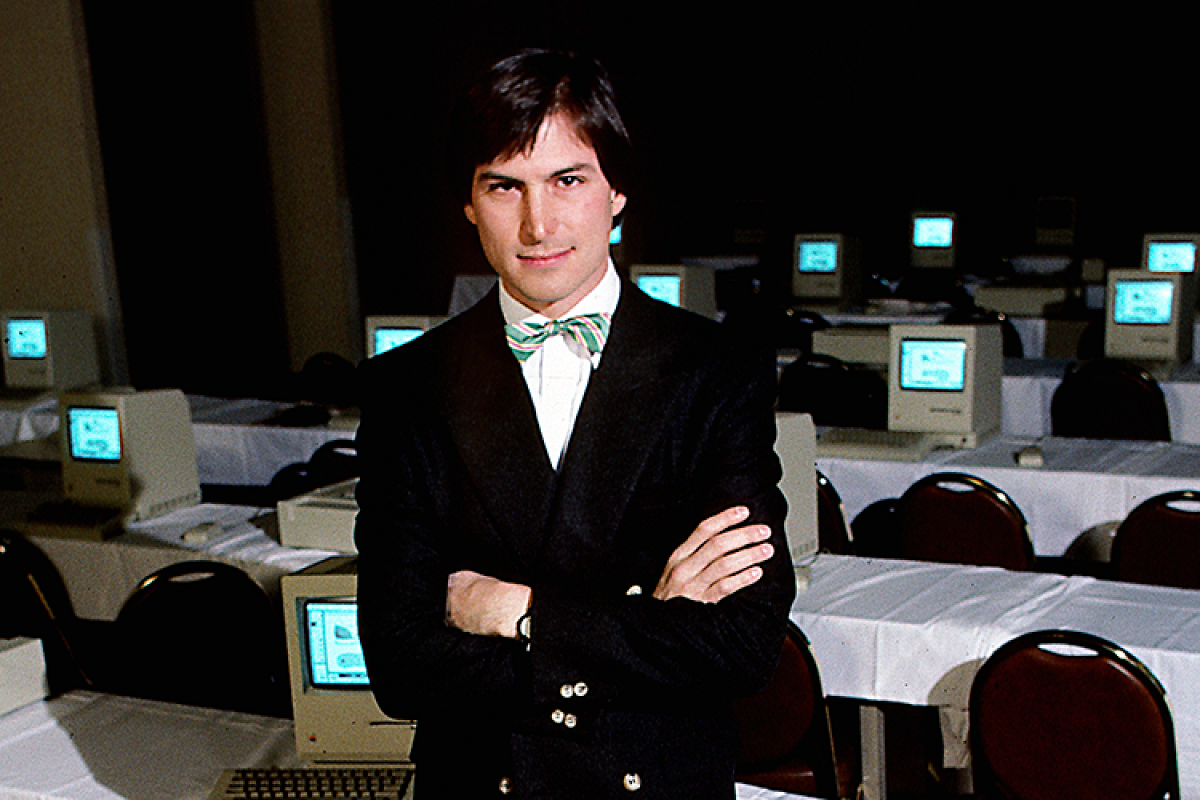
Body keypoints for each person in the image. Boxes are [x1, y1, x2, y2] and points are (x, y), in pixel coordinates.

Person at [355, 48, 796, 799]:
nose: (538, 224)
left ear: (617, 191)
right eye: (505, 186)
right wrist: (645, 620)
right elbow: (401, 665)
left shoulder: (718, 370)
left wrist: (520, 612)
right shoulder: (407, 386)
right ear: (468, 203)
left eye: (568, 180)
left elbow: (741, 645)